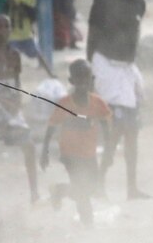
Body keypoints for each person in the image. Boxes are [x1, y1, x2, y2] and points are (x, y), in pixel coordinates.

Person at [86, 0, 151, 200]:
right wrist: (91, 71)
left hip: (126, 69)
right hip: (105, 67)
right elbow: (92, 37)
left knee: (132, 130)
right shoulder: (103, 0)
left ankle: (131, 188)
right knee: (115, 129)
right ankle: (98, 183)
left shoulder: (139, 4)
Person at [0, 14, 39, 212]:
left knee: (29, 146)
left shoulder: (15, 55)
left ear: (11, 30)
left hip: (11, 103)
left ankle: (34, 194)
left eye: (6, 26)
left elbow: (17, 81)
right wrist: (1, 100)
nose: (2, 30)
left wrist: (18, 101)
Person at [40, 59, 111, 226]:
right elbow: (51, 127)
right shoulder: (65, 104)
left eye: (86, 78)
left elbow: (106, 127)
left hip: (89, 153)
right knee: (82, 190)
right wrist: (45, 152)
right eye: (79, 79)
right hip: (70, 154)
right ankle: (88, 225)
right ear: (72, 81)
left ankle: (60, 190)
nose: (83, 83)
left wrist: (109, 151)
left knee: (91, 188)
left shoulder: (97, 103)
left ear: (91, 80)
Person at [7, 0, 53, 76]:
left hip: (26, 33)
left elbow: (32, 14)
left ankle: (50, 73)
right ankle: (15, 78)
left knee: (37, 53)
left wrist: (20, 5)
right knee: (13, 57)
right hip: (13, 34)